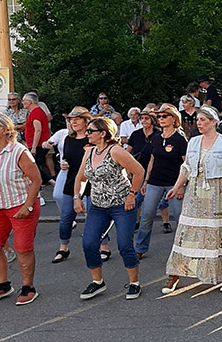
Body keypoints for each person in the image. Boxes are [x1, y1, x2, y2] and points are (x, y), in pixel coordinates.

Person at [162, 107, 222, 294]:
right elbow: (186, 168)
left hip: (220, 195)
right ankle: (175, 273)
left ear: (214, 122)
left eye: (203, 119)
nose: (199, 123)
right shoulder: (194, 142)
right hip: (195, 194)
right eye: (198, 119)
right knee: (186, 233)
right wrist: (177, 186)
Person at [72, 118, 146, 300]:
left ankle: (134, 283)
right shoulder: (89, 152)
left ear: (103, 133)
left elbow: (139, 171)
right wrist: (77, 198)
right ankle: (97, 282)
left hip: (122, 205)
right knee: (89, 243)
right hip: (98, 206)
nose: (87, 134)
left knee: (125, 245)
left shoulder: (116, 151)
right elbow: (81, 178)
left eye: (91, 131)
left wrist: (132, 195)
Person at [0, 114, 42, 305]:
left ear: (5, 130)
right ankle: (3, 285)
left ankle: (28, 287)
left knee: (23, 249)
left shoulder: (19, 151)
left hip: (20, 206)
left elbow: (36, 180)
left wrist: (28, 206)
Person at [135, 104, 187, 259]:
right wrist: (146, 181)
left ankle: (183, 249)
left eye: (165, 116)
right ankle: (140, 248)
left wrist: (182, 186)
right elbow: (152, 160)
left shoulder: (180, 139)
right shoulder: (156, 138)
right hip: (155, 182)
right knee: (147, 215)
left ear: (174, 119)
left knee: (179, 216)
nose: (161, 119)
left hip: (174, 183)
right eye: (159, 116)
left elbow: (186, 164)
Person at [52, 107, 96, 264]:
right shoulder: (68, 139)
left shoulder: (93, 139)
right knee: (66, 217)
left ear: (86, 121)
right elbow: (66, 158)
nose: (73, 122)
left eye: (77, 119)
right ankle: (63, 248)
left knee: (93, 217)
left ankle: (103, 247)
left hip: (91, 183)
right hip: (71, 181)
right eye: (71, 120)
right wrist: (63, 164)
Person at [22, 92, 52, 185]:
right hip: (36, 144)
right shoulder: (35, 112)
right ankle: (46, 182)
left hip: (38, 145)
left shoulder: (36, 112)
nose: (22, 102)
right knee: (36, 166)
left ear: (30, 102)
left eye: (24, 100)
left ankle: (51, 182)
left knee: (34, 166)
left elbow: (38, 130)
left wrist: (34, 147)